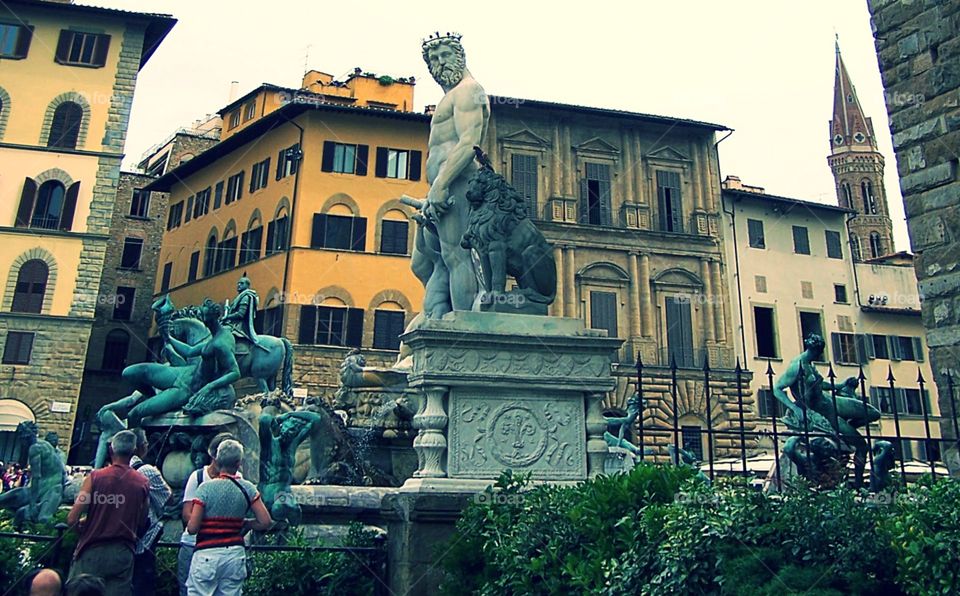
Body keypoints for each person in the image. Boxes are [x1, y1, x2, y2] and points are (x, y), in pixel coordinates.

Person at [407, 33, 489, 319]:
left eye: (445, 55)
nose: (440, 63)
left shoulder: (469, 90)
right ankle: (438, 319)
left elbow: (469, 143)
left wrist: (441, 185)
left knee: (457, 256)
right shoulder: (451, 97)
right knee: (428, 262)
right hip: (441, 186)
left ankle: (463, 327)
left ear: (460, 56)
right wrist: (435, 187)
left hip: (457, 182)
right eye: (434, 59)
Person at [67, 430, 149, 596]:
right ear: (134, 451)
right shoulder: (143, 482)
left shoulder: (95, 477)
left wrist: (82, 529)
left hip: (92, 549)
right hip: (122, 552)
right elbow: (142, 521)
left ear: (111, 450)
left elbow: (72, 518)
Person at [186, 440, 272, 596]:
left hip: (207, 554)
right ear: (239, 463)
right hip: (234, 554)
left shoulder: (205, 489)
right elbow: (265, 521)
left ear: (217, 460)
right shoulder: (248, 488)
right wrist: (246, 523)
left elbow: (192, 529)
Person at [177, 433, 238, 596]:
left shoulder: (238, 480)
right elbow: (187, 514)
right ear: (213, 455)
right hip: (193, 544)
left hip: (224, 547)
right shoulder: (198, 477)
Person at [0, 422, 65, 527]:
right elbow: (62, 471)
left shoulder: (34, 449)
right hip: (51, 487)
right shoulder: (46, 445)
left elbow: (36, 477)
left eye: (21, 438)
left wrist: (32, 504)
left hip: (46, 490)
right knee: (13, 496)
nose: (21, 442)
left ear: (25, 437)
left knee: (11, 499)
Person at [131, 430, 172, 596]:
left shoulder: (107, 472)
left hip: (117, 541)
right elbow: (168, 498)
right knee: (142, 584)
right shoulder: (147, 471)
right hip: (144, 539)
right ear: (142, 447)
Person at [221, 276, 266, 352]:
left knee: (223, 333)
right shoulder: (240, 296)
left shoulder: (245, 297)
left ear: (247, 285)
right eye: (238, 283)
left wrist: (227, 317)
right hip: (234, 323)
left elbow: (240, 314)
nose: (239, 285)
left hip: (240, 326)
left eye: (242, 283)